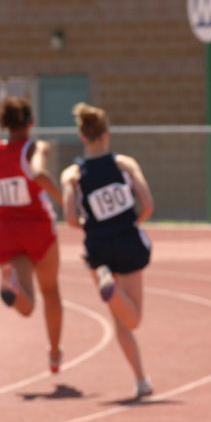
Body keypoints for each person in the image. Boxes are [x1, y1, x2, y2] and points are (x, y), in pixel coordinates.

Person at [61, 103, 154, 398]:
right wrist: (132, 222)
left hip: (97, 246)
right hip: (127, 240)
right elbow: (148, 204)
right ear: (107, 134)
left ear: (83, 137)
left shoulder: (73, 174)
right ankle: (140, 380)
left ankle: (141, 379)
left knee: (119, 318)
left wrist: (92, 227)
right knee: (133, 319)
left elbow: (71, 218)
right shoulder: (124, 164)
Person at [0, 97, 64, 373]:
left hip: (6, 231)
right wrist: (64, 201)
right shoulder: (33, 147)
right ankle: (54, 354)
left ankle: (12, 286)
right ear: (30, 123)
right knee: (50, 290)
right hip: (37, 228)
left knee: (27, 304)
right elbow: (40, 173)